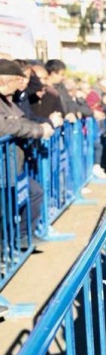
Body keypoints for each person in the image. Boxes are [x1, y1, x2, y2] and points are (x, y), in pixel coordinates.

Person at [0, 59, 58, 242]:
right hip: (4, 165)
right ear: (3, 80)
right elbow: (4, 126)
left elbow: (21, 120)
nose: (20, 86)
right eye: (17, 81)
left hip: (10, 166)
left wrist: (41, 127)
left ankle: (21, 239)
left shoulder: (7, 101)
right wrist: (39, 130)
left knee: (31, 194)